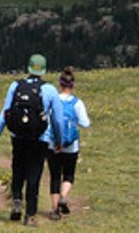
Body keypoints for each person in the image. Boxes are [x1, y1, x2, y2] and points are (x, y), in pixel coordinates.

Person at [0, 53, 63, 225]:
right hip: (40, 138)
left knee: (18, 168)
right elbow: (57, 120)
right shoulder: (50, 90)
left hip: (18, 136)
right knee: (34, 175)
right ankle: (30, 215)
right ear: (44, 70)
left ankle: (16, 200)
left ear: (28, 68)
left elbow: (5, 113)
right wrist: (59, 140)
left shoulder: (15, 86)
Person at [48, 68, 91, 218]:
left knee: (54, 176)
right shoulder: (77, 103)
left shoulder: (53, 101)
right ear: (73, 84)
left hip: (53, 145)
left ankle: (54, 210)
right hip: (71, 146)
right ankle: (63, 196)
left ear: (60, 84)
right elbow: (85, 123)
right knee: (68, 175)